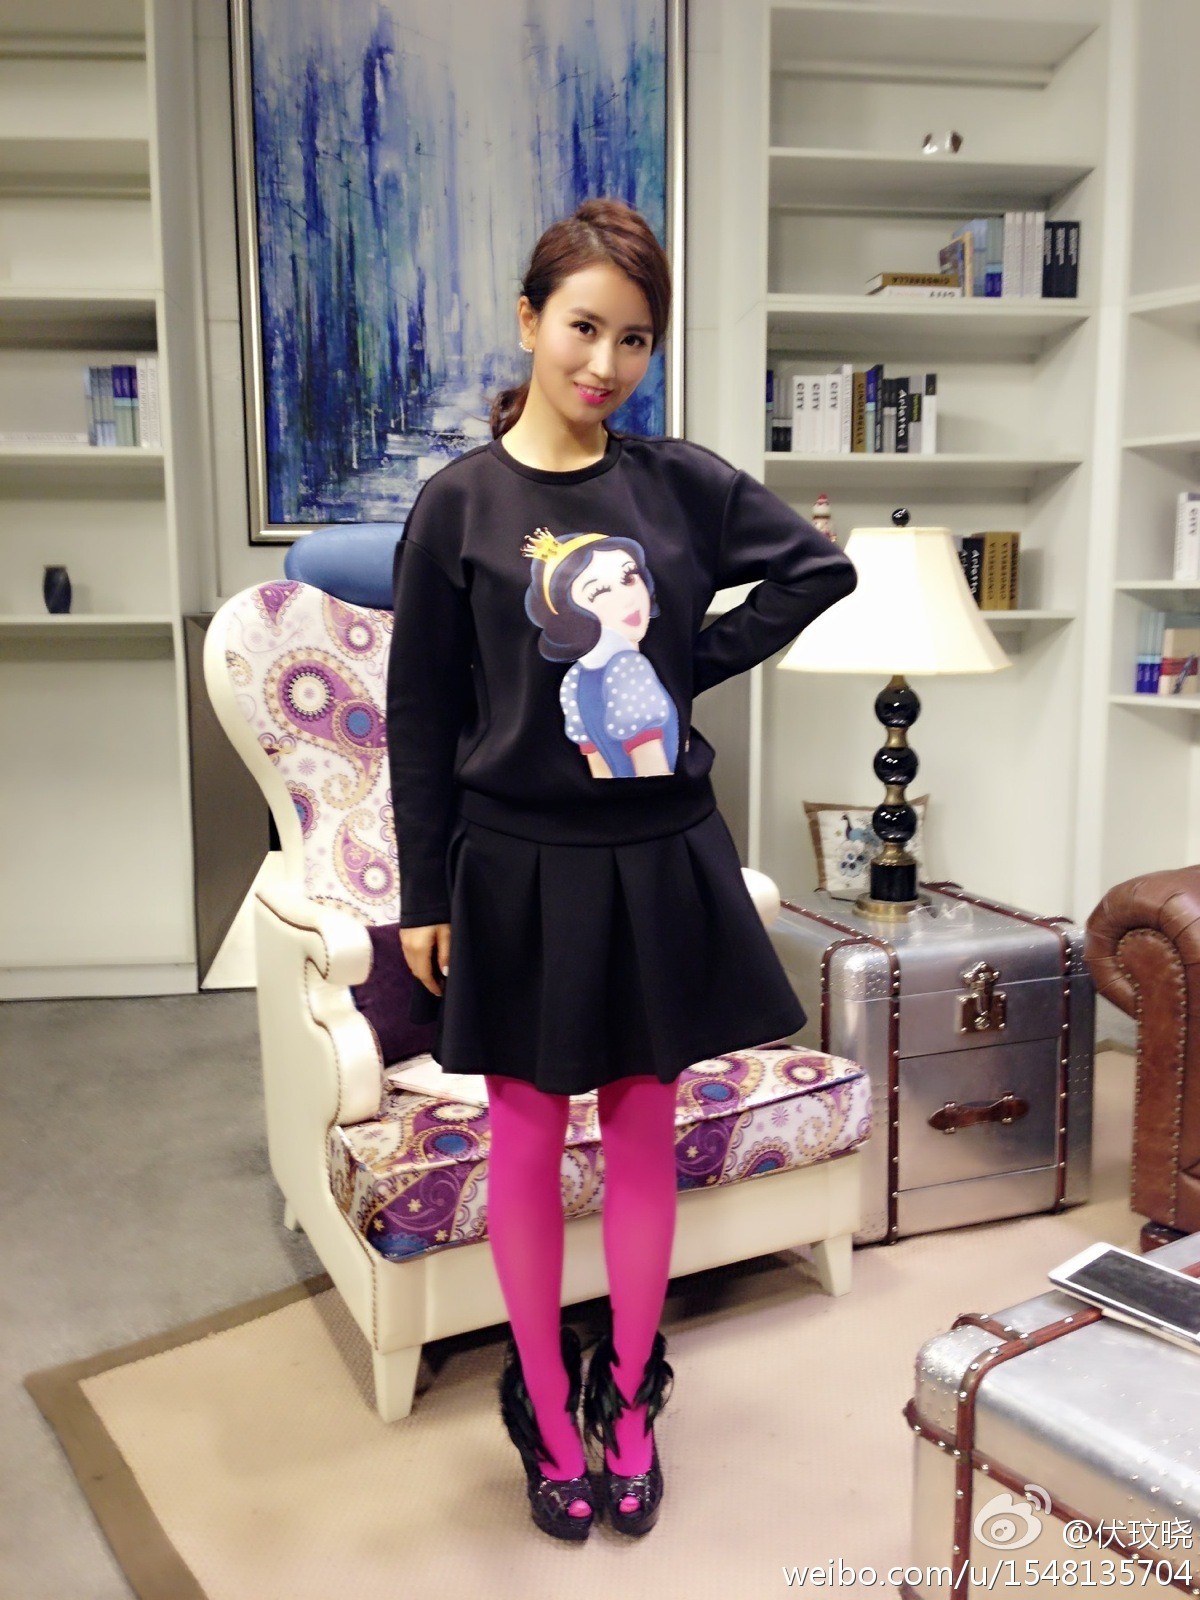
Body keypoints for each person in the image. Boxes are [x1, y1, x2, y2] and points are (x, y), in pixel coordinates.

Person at [385, 197, 857, 1542]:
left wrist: (683, 659)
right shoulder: (458, 504)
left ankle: (633, 1402)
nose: (605, 363)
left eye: (635, 339)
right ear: (530, 320)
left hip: (658, 858)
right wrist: (425, 895)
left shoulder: (678, 481)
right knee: (531, 1140)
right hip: (514, 865)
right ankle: (545, 1403)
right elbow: (420, 715)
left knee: (645, 1132)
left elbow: (814, 569)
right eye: (583, 328)